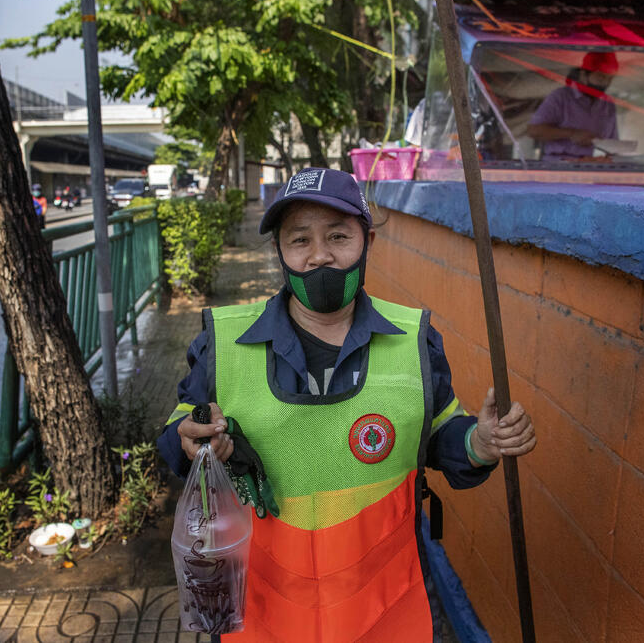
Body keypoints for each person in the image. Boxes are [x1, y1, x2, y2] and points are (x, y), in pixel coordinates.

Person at [157, 168, 537, 641]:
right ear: (279, 250)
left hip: (386, 613)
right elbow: (178, 431)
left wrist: (480, 441)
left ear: (367, 242)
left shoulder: (415, 341)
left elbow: (440, 435)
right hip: (261, 616)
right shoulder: (223, 342)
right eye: (300, 240)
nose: (319, 255)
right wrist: (190, 438)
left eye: (338, 236)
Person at [527, 51, 619, 160]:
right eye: (601, 77)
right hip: (560, 165)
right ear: (583, 75)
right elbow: (534, 131)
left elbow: (612, 145)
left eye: (610, 79)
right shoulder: (561, 97)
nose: (605, 83)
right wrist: (571, 134)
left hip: (593, 164)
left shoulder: (608, 104)